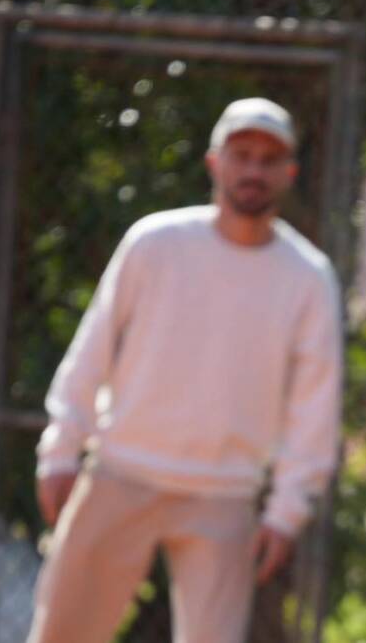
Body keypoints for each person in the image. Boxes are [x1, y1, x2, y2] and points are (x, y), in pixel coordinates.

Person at [27, 98, 344, 643]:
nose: (253, 170)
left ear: (289, 172)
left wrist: (286, 511)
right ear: (214, 162)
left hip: (225, 495)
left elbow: (315, 405)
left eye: (269, 159)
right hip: (120, 472)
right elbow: (92, 348)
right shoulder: (154, 242)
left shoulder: (309, 277)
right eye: (241, 154)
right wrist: (60, 450)